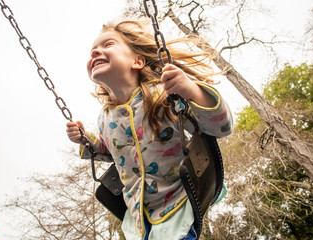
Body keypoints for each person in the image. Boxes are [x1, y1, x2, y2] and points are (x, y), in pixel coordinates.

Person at [66, 19, 233, 240]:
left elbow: (221, 127)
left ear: (137, 61)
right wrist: (85, 140)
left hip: (178, 204)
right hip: (138, 216)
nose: (96, 51)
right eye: (93, 50)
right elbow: (110, 151)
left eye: (108, 45)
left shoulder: (163, 92)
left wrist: (191, 90)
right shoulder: (105, 117)